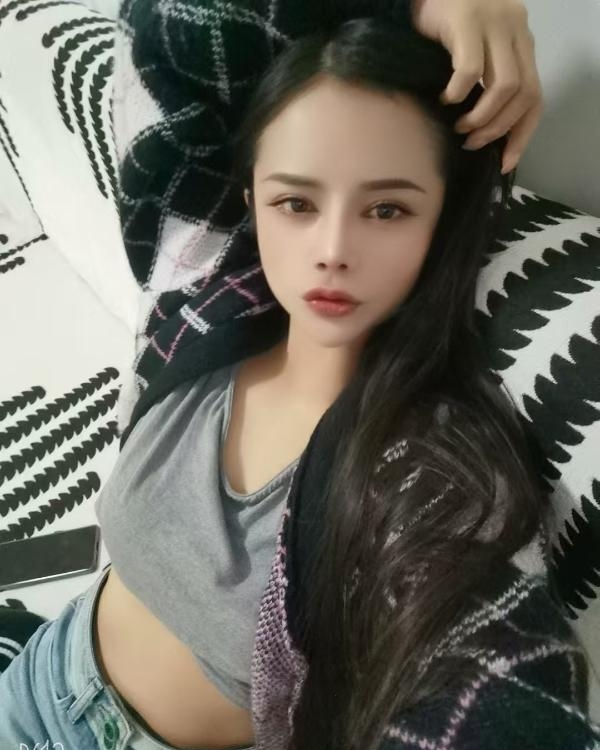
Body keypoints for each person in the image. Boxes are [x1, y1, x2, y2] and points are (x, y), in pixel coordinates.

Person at [2, 2, 599, 750]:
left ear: (441, 222)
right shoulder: (200, 299)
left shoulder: (426, 478)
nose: (332, 249)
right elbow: (169, 23)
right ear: (250, 203)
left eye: (387, 209)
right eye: (296, 202)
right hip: (39, 675)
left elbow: (493, 674)